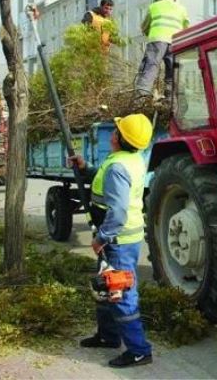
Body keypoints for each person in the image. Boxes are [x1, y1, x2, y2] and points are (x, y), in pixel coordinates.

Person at [69, 113, 154, 368]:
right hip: (119, 239)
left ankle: (139, 351)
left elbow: (117, 212)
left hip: (117, 240)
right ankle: (108, 336)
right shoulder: (129, 159)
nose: (112, 133)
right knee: (106, 287)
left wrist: (102, 238)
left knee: (121, 293)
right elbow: (106, 183)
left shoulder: (119, 166)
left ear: (119, 138)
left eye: (116, 130)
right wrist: (85, 169)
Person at [135, 0, 189, 99]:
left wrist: (146, 32)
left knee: (150, 66)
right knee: (172, 72)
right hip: (176, 42)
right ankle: (170, 101)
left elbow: (145, 26)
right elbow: (187, 27)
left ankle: (141, 98)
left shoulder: (154, 6)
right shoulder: (182, 9)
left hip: (157, 40)